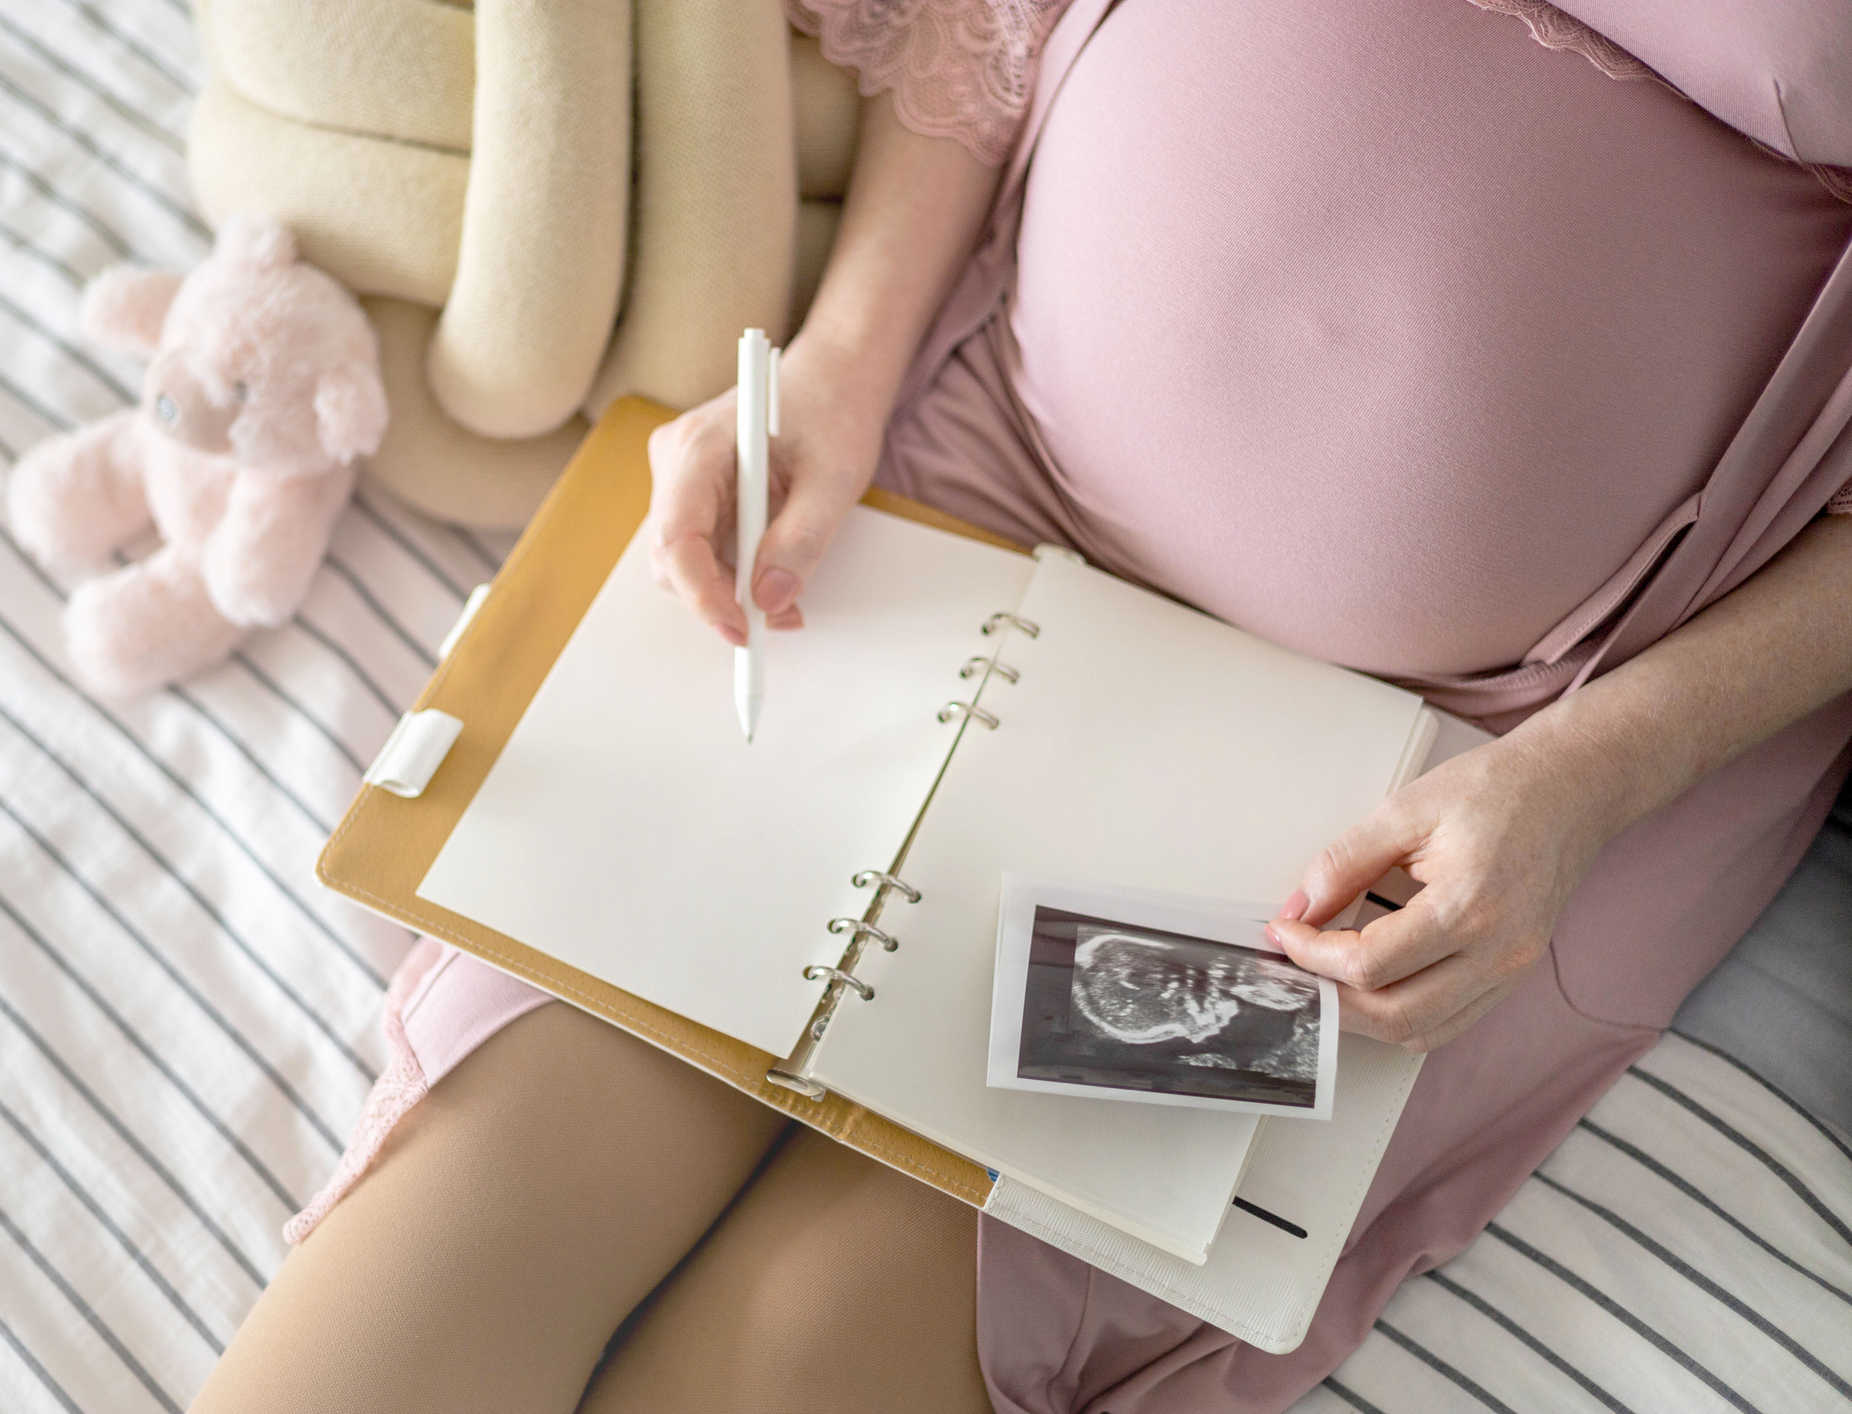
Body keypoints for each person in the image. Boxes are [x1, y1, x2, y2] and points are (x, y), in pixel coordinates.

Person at [188, 2, 1852, 1410]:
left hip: (1452, 755)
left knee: (817, 1329)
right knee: (498, 1180)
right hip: (977, 484)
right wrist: (837, 370)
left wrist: (1584, 773)